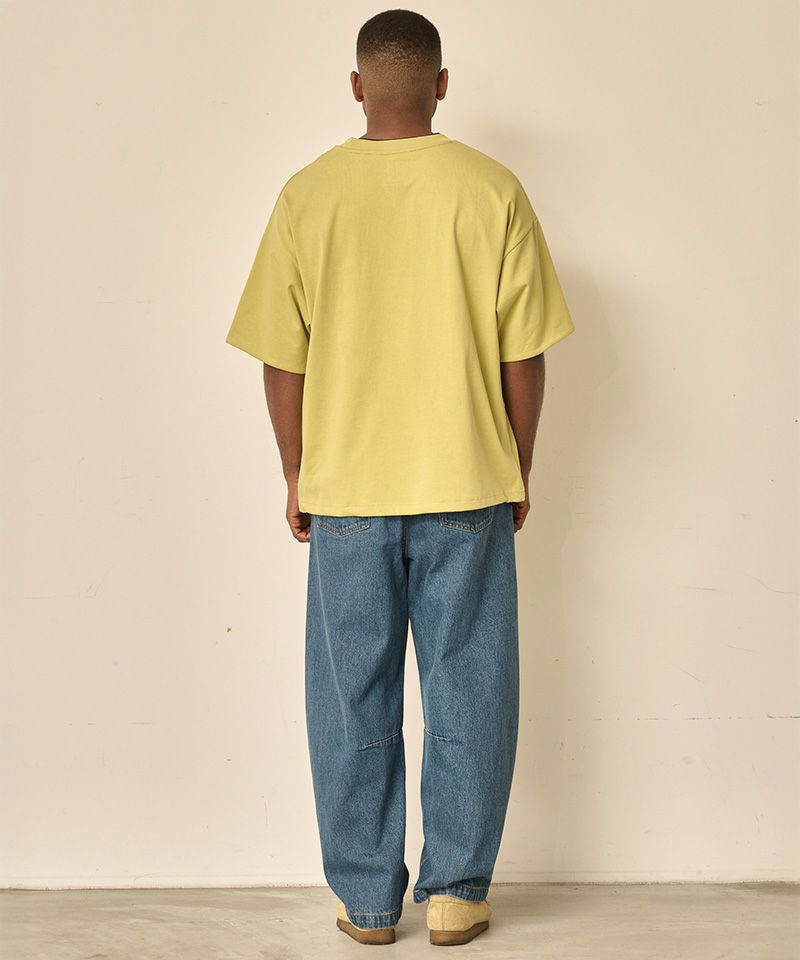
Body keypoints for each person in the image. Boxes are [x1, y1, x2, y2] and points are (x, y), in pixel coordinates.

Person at [225, 8, 575, 948]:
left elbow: (283, 357)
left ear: (356, 87)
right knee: (471, 692)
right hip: (467, 485)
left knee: (352, 699)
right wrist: (517, 462)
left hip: (346, 494)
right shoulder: (491, 189)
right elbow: (524, 354)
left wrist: (295, 470)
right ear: (441, 85)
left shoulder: (308, 195)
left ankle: (369, 902)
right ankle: (455, 893)